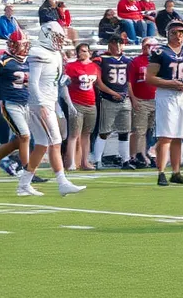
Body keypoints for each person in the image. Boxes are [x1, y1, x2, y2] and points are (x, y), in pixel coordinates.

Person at [19, 22, 86, 195]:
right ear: (47, 35)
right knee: (55, 141)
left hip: (49, 101)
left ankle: (24, 184)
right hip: (39, 104)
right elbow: (33, 83)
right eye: (56, 37)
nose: (59, 41)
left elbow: (56, 82)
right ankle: (62, 183)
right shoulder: (38, 52)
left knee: (42, 145)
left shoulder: (55, 54)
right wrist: (41, 103)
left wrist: (61, 102)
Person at [147, 20, 183, 186]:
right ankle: (161, 172)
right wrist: (170, 83)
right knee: (166, 135)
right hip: (166, 95)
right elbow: (149, 78)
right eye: (175, 32)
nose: (178, 35)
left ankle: (176, 172)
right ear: (168, 34)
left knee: (178, 136)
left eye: (181, 32)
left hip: (182, 96)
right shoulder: (160, 52)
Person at [93, 35, 135, 170]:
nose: (117, 46)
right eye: (114, 42)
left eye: (120, 43)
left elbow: (129, 81)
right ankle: (97, 160)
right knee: (104, 131)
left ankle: (125, 160)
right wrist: (113, 93)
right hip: (108, 99)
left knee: (124, 131)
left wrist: (130, 97)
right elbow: (98, 82)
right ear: (109, 44)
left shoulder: (128, 60)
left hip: (124, 98)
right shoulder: (101, 59)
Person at [0, 30, 34, 181]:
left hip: (25, 104)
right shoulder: (4, 62)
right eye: (22, 45)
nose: (25, 48)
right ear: (13, 45)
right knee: (25, 136)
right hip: (10, 103)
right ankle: (28, 172)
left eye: (26, 45)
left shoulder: (28, 61)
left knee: (17, 142)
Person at [64, 42, 100, 170]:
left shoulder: (94, 66)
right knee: (74, 134)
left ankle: (85, 161)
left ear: (89, 52)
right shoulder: (71, 66)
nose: (83, 53)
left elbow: (98, 83)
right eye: (81, 51)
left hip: (91, 103)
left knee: (87, 134)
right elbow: (65, 83)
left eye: (85, 51)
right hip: (76, 102)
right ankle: (71, 162)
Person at [129, 38, 159, 166]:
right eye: (146, 45)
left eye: (151, 45)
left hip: (156, 99)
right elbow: (129, 82)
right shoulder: (136, 61)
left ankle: (147, 153)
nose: (148, 48)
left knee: (151, 130)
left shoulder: (158, 61)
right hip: (141, 99)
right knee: (140, 130)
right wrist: (133, 98)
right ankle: (140, 155)